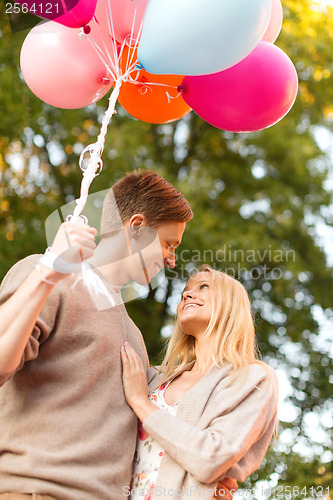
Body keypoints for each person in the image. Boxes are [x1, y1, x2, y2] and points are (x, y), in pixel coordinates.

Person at [0, 170, 234, 499]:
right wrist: (49, 270)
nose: (171, 260)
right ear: (136, 227)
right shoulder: (48, 274)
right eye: (169, 243)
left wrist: (210, 473)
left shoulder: (133, 336)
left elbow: (160, 421)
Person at [121, 265, 279, 499]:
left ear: (231, 304)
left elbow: (211, 457)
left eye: (204, 286)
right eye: (185, 290)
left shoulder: (252, 378)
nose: (187, 294)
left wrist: (141, 403)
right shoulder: (152, 378)